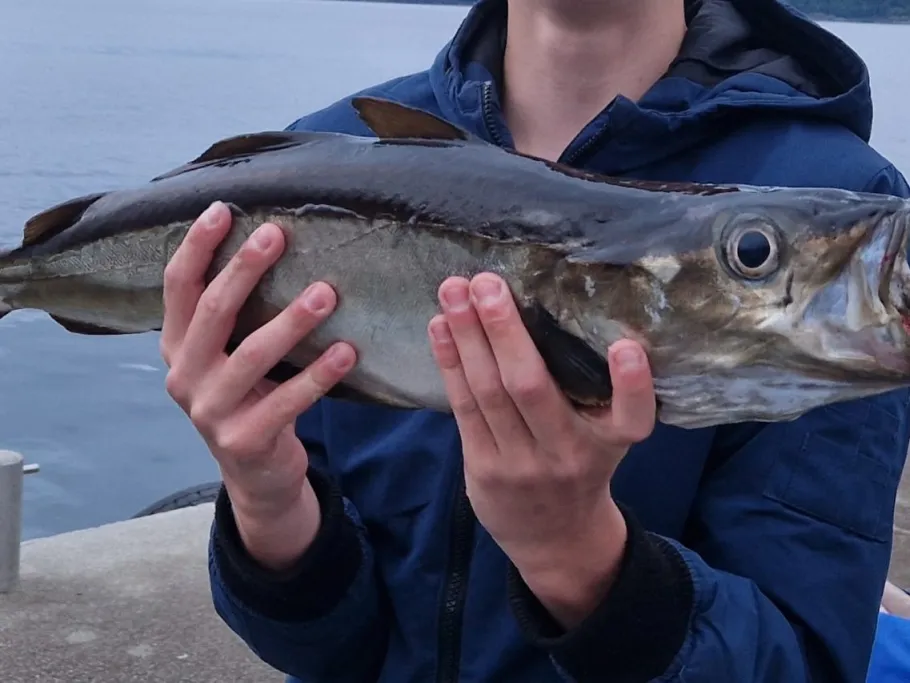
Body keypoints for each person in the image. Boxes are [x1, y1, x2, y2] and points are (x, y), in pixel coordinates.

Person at [158, 0, 910, 681]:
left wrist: (579, 555)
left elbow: (803, 658)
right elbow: (330, 652)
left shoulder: (842, 221)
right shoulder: (333, 155)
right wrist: (269, 500)